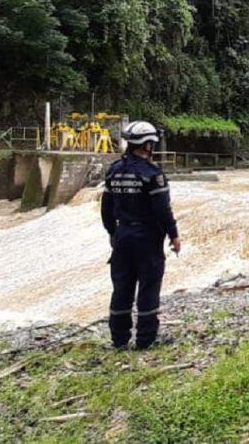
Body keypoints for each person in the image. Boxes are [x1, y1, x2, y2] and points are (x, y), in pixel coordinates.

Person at [100, 120, 182, 349]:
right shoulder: (152, 174)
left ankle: (119, 339)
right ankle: (145, 339)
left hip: (122, 235)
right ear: (147, 145)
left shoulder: (114, 171)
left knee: (122, 286)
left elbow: (106, 208)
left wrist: (112, 232)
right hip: (147, 238)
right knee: (148, 285)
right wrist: (174, 235)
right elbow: (162, 210)